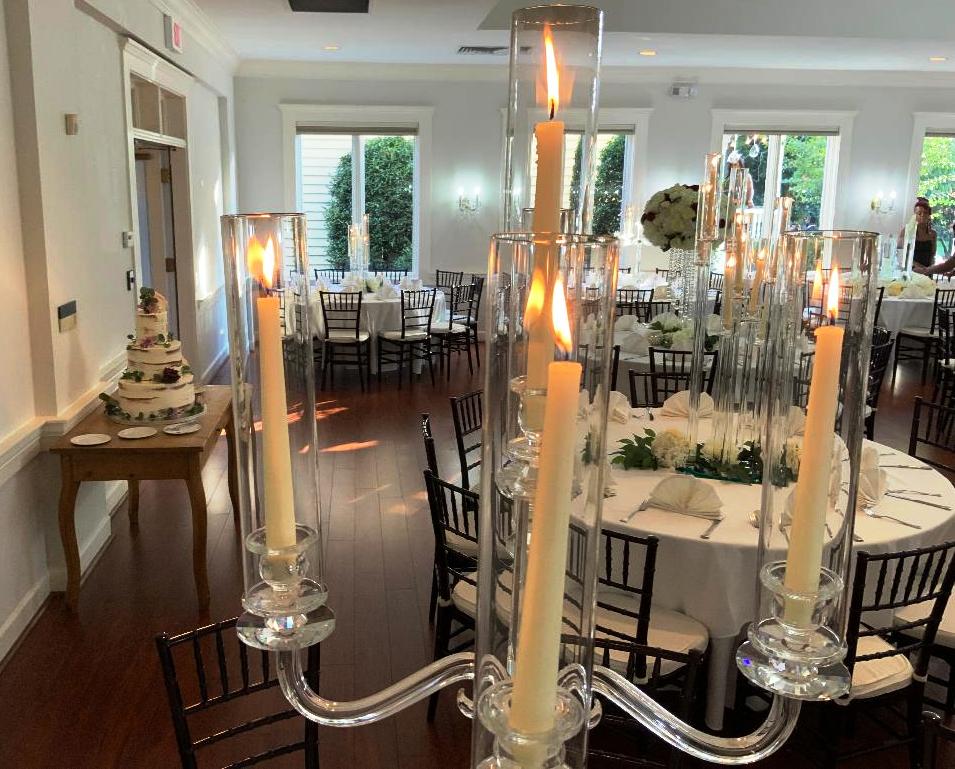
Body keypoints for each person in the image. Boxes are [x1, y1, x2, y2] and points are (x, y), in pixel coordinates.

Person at [898, 197, 937, 273]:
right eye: (919, 213)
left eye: (925, 213)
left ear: (929, 215)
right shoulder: (906, 231)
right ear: (915, 215)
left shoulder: (933, 234)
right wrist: (919, 267)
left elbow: (933, 255)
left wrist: (930, 269)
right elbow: (901, 253)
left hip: (927, 271)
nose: (922, 215)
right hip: (910, 270)